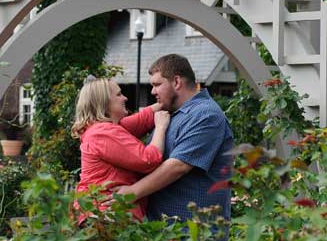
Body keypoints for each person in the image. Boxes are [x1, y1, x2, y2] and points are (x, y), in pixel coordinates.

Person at [114, 54, 234, 225]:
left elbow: (178, 166)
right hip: (165, 232)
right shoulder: (171, 114)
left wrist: (132, 192)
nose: (152, 91)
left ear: (177, 82)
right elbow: (120, 131)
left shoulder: (206, 114)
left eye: (157, 85)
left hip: (196, 235)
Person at [72, 77, 171, 221]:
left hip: (99, 213)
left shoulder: (102, 129)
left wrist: (166, 101)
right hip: (106, 216)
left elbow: (142, 120)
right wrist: (161, 127)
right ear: (104, 103)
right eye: (118, 95)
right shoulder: (103, 133)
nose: (125, 98)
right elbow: (149, 160)